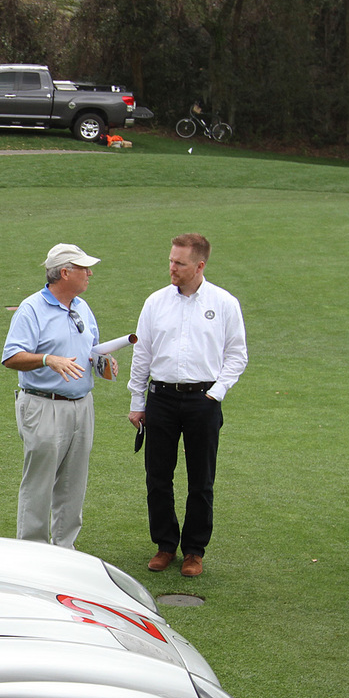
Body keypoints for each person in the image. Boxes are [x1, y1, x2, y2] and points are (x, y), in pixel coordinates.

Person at [128, 233, 248, 577]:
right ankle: (165, 545)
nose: (171, 268)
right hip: (162, 397)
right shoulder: (155, 302)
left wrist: (218, 391)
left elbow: (237, 354)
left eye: (179, 263)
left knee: (201, 479)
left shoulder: (224, 303)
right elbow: (143, 353)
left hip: (203, 400)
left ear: (199, 265)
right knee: (158, 476)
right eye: (170, 260)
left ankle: (194, 550)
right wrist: (138, 401)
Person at [1, 243, 113, 547]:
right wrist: (48, 359)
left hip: (82, 405)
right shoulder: (31, 309)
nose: (90, 273)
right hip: (43, 405)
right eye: (83, 268)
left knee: (73, 483)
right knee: (39, 484)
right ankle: (33, 552)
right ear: (65, 272)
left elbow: (90, 349)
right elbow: (11, 357)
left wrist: (102, 363)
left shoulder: (81, 306)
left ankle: (65, 550)